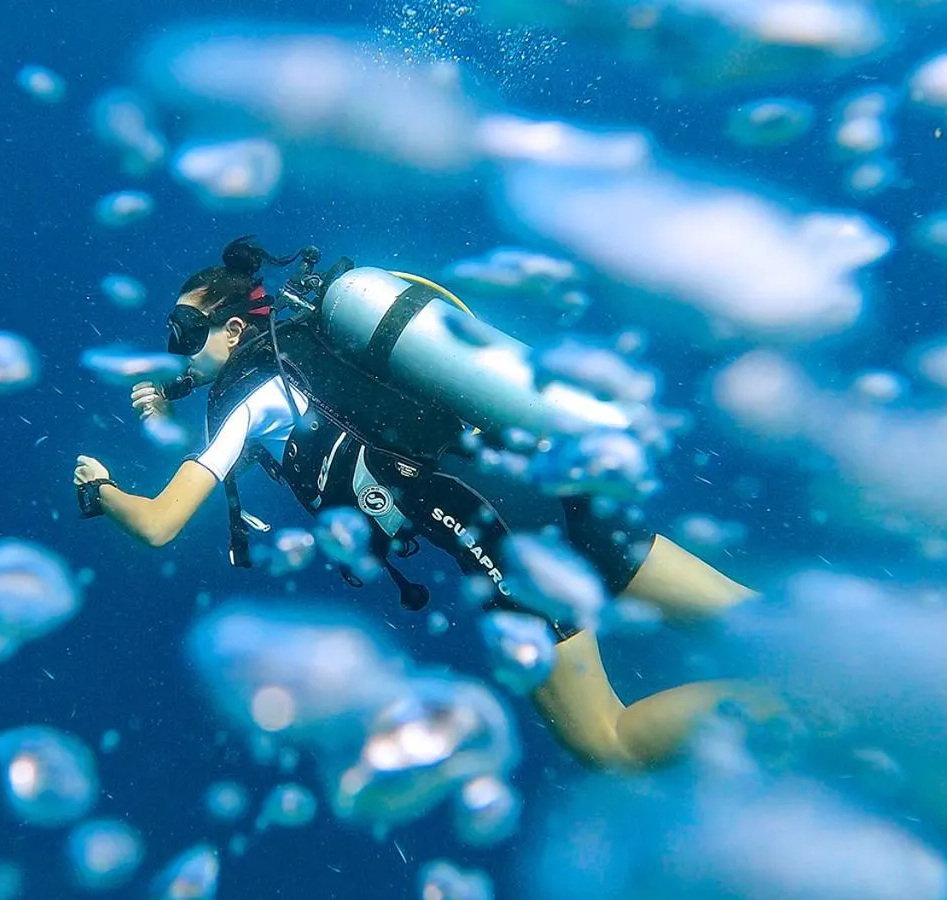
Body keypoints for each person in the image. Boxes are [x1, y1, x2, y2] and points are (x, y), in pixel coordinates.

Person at [73, 236, 762, 771]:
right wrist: (172, 389)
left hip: (505, 537)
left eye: (183, 332)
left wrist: (100, 490)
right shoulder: (314, 357)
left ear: (230, 333)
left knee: (607, 743)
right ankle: (849, 674)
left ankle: (791, 714)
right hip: (544, 479)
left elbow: (161, 524)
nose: (175, 348)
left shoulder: (255, 398)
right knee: (754, 621)